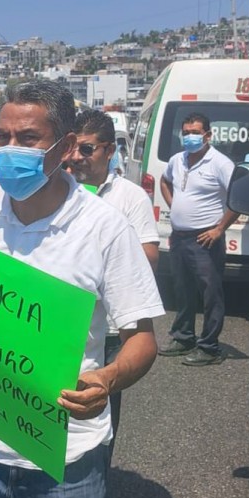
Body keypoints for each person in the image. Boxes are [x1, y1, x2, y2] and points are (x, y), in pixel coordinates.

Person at [0, 79, 164, 498]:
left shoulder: (105, 227)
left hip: (65, 460)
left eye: (28, 138)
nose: (10, 148)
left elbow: (142, 339)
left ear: (66, 145)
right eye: (3, 137)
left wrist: (107, 379)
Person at [68, 107, 160, 469]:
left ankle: (92, 479)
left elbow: (149, 256)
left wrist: (103, 256)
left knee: (95, 416)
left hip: (107, 330)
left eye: (87, 149)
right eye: (72, 148)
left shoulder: (130, 197)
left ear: (110, 151)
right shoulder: (58, 191)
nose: (77, 157)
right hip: (64, 323)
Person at [158, 113, 238, 366]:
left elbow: (239, 198)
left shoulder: (220, 163)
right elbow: (164, 181)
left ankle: (209, 346)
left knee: (210, 293)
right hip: (179, 238)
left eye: (195, 132)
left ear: (208, 135)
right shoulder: (176, 160)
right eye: (186, 132)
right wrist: (175, 206)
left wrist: (219, 229)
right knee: (182, 290)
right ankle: (183, 337)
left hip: (205, 239)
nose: (189, 137)